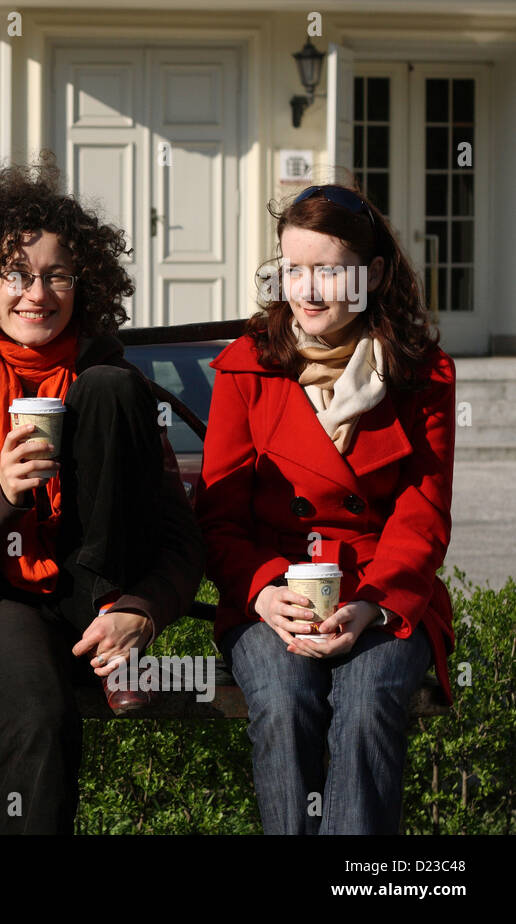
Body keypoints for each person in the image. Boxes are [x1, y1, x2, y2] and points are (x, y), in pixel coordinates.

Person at [0, 157, 204, 834]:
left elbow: (182, 542)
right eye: (15, 273)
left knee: (110, 390)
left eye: (56, 275)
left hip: (95, 593)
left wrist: (140, 610)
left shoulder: (110, 379)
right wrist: (3, 495)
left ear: (81, 283)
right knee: (39, 713)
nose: (36, 293)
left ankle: (103, 613)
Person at [196, 183, 455, 834]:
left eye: (329, 271)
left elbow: (423, 511)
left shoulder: (422, 373)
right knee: (285, 701)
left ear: (369, 275)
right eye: (294, 270)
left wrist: (373, 603)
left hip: (382, 594)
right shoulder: (244, 368)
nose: (307, 291)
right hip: (273, 597)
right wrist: (260, 591)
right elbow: (219, 514)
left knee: (369, 705)